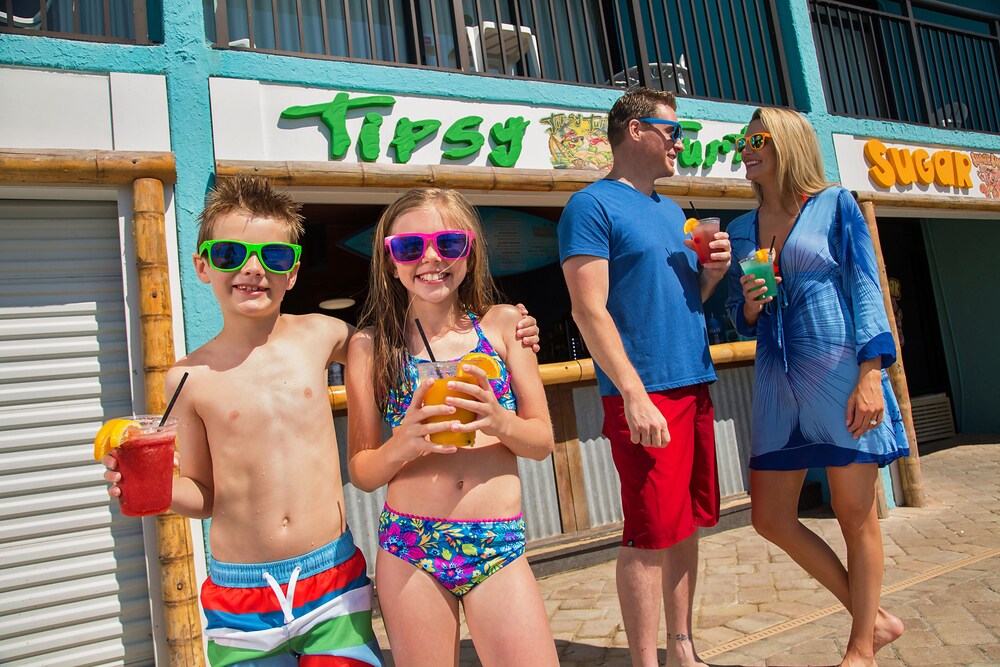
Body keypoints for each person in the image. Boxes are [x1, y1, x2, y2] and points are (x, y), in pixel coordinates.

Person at [102, 176, 540, 666]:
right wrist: (156, 488)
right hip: (241, 591)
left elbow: (403, 338)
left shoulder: (324, 334)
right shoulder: (185, 379)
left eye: (274, 257)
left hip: (331, 579)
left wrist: (514, 324)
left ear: (293, 273)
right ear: (202, 265)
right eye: (229, 254)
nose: (252, 269)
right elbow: (204, 493)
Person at [725, 107, 909, 667]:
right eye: (743, 140)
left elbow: (864, 287)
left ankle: (860, 649)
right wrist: (750, 307)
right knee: (769, 517)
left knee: (855, 516)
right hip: (777, 388)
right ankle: (873, 618)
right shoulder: (740, 230)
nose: (746, 148)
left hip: (840, 378)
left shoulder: (835, 205)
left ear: (788, 143)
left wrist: (872, 376)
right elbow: (738, 313)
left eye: (757, 138)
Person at [346, 187, 559, 667]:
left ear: (470, 252)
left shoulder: (505, 326)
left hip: (496, 542)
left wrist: (499, 420)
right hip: (411, 545)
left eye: (448, 244)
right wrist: (403, 442)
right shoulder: (371, 346)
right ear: (389, 262)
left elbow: (542, 441)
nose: (430, 258)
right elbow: (362, 471)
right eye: (408, 247)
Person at [558, 87, 731, 667]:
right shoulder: (592, 206)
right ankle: (644, 662)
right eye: (672, 131)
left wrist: (713, 275)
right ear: (636, 130)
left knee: (684, 526)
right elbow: (589, 310)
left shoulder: (672, 211)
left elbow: (685, 302)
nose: (681, 142)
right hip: (647, 393)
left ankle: (682, 648)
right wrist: (633, 394)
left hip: (693, 382)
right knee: (649, 530)